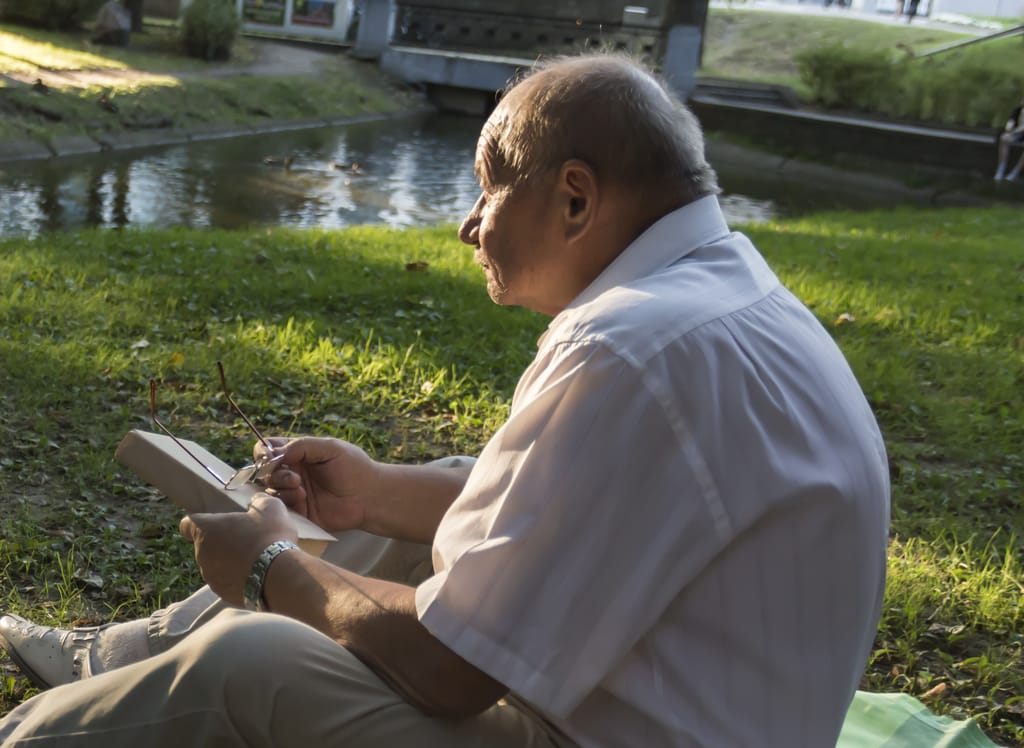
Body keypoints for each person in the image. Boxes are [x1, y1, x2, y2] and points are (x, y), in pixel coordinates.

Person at [0, 53, 891, 747]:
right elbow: (564, 511)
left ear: (575, 197)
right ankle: (117, 659)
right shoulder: (726, 293)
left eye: (492, 184)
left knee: (251, 660)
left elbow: (452, 673)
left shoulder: (630, 345)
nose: (469, 222)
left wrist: (273, 566)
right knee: (453, 487)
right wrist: (376, 490)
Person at [994, 95, 1024, 181]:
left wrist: (1013, 131)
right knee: (1003, 138)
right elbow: (1011, 121)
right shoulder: (1017, 110)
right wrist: (1008, 130)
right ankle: (1001, 168)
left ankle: (1016, 172)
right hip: (1017, 134)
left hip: (1019, 133)